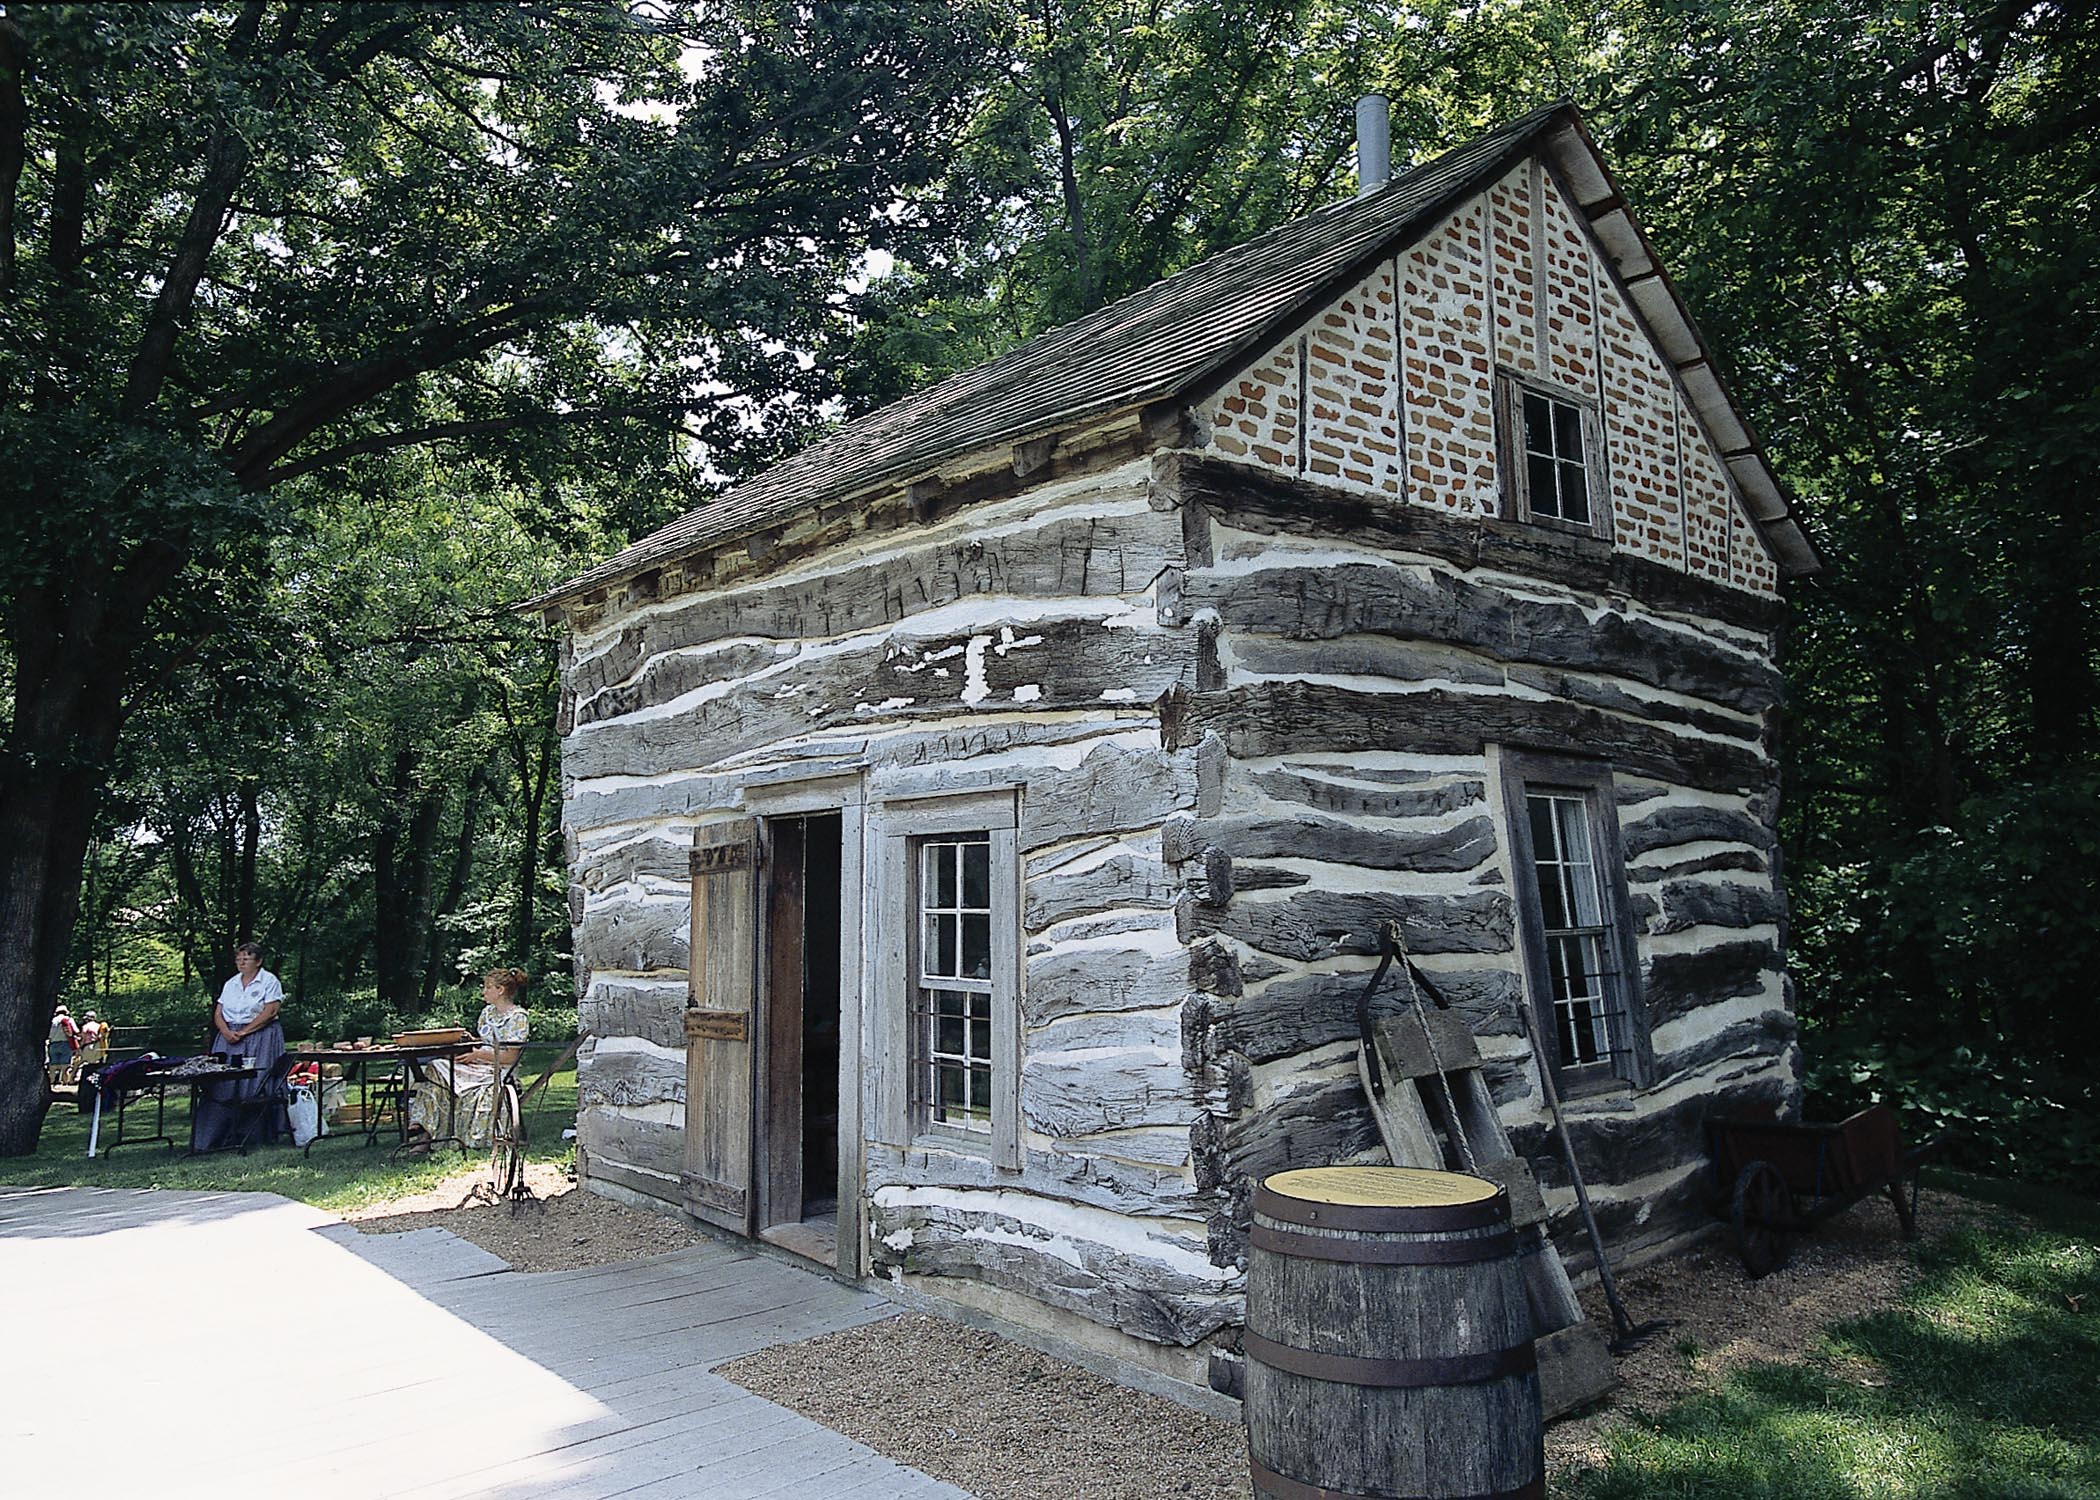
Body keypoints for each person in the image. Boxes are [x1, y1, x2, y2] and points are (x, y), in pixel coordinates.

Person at [411, 968, 530, 1148]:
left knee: (446, 1076)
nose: (484, 991)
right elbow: (485, 1041)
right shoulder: (487, 1013)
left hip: (498, 1071)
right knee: (437, 1067)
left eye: (488, 987)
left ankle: (426, 1136)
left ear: (501, 990)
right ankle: (424, 1126)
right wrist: (471, 1040)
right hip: (478, 1065)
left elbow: (510, 1057)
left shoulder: (518, 1017)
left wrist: (478, 1054)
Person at [192, 941, 288, 1152]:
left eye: (247, 958)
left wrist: (246, 1031)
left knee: (255, 1082)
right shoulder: (231, 984)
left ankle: (256, 1133)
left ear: (258, 961)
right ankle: (218, 1135)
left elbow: (270, 1011)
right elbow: (219, 1011)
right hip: (229, 1036)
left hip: (260, 1035)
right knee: (223, 1083)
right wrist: (225, 1032)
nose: (242, 962)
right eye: (239, 958)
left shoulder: (269, 981)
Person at [45, 1005, 78, 1088]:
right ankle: (64, 1085)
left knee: (52, 1067)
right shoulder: (68, 1019)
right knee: (65, 1067)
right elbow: (76, 1030)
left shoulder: (52, 1020)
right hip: (65, 1044)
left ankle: (51, 1084)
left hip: (53, 1044)